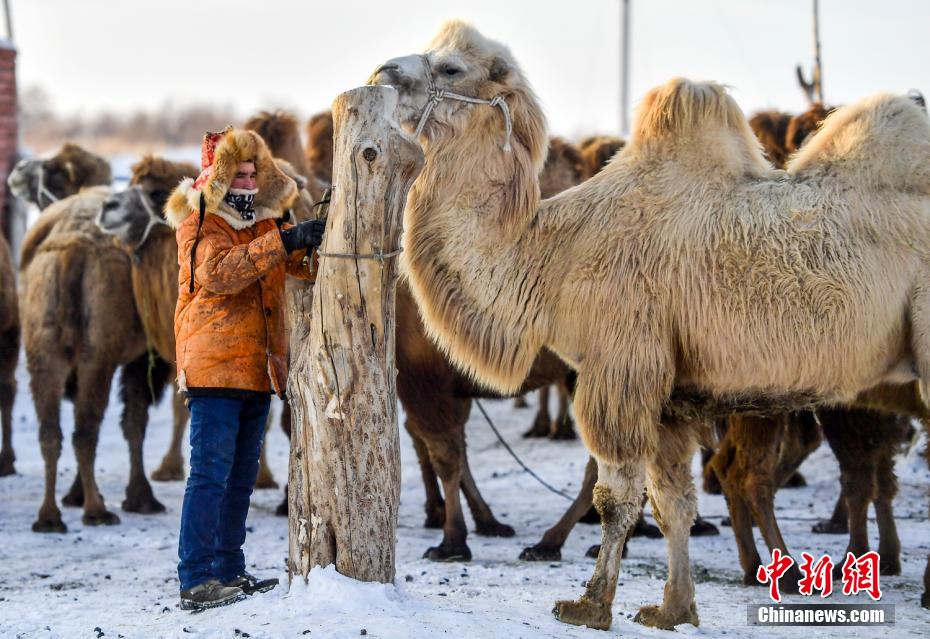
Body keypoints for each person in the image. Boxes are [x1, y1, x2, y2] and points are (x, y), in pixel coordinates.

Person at [164, 127, 325, 611]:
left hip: (257, 369)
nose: (250, 183)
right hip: (214, 369)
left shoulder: (261, 227)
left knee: (240, 477)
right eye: (240, 173)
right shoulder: (200, 224)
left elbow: (304, 266)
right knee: (210, 476)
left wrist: (320, 236)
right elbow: (220, 274)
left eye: (255, 173)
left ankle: (229, 570)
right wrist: (286, 240)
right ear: (218, 177)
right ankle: (195, 578)